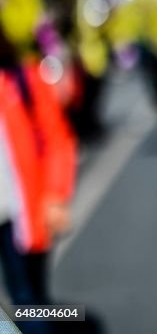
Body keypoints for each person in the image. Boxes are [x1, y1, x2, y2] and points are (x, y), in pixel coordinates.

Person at [0, 28, 77, 333]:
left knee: (28, 299)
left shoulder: (23, 77)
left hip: (22, 210)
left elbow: (57, 138)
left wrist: (56, 195)